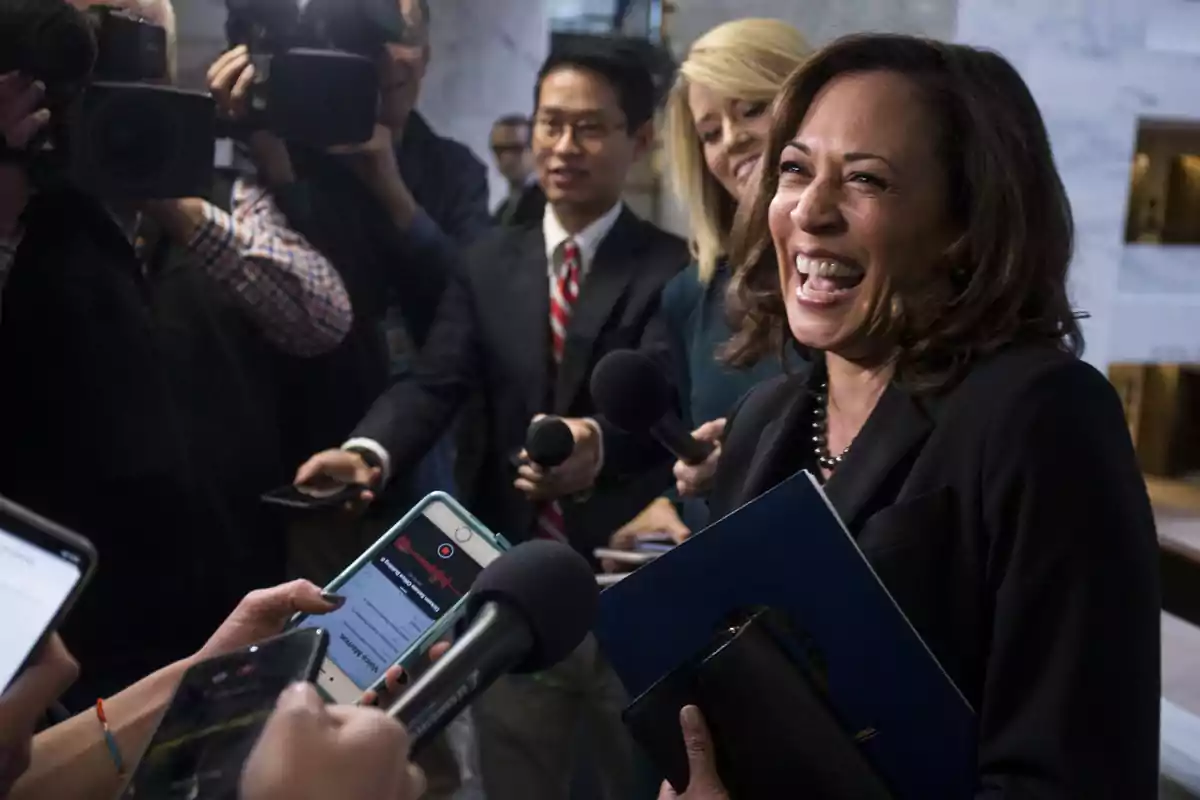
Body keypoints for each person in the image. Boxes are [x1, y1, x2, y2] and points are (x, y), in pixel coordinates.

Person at [703, 33, 1159, 796]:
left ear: (964, 225)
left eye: (866, 180)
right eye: (793, 170)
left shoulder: (1044, 417)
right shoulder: (761, 419)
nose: (810, 212)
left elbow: (1075, 775)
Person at [298, 39, 691, 800]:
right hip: (513, 587)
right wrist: (369, 450)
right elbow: (435, 378)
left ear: (639, 140)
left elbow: (668, 402)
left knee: (628, 779)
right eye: (550, 125)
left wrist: (598, 447)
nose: (564, 148)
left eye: (590, 128)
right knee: (515, 777)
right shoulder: (487, 262)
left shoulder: (672, 268)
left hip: (628, 580)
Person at [0, 0, 353, 705]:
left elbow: (323, 316)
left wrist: (167, 196)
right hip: (51, 616)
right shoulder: (20, 198)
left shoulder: (211, 181)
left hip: (214, 589)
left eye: (136, 51)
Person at [604, 19, 812, 555]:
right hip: (730, 593)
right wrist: (674, 504)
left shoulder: (866, 276)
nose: (732, 140)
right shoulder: (689, 298)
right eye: (710, 132)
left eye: (752, 108)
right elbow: (703, 457)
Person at [489, 114, 545, 227]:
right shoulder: (502, 212)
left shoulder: (551, 206)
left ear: (536, 149)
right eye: (499, 150)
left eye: (515, 148)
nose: (506, 158)